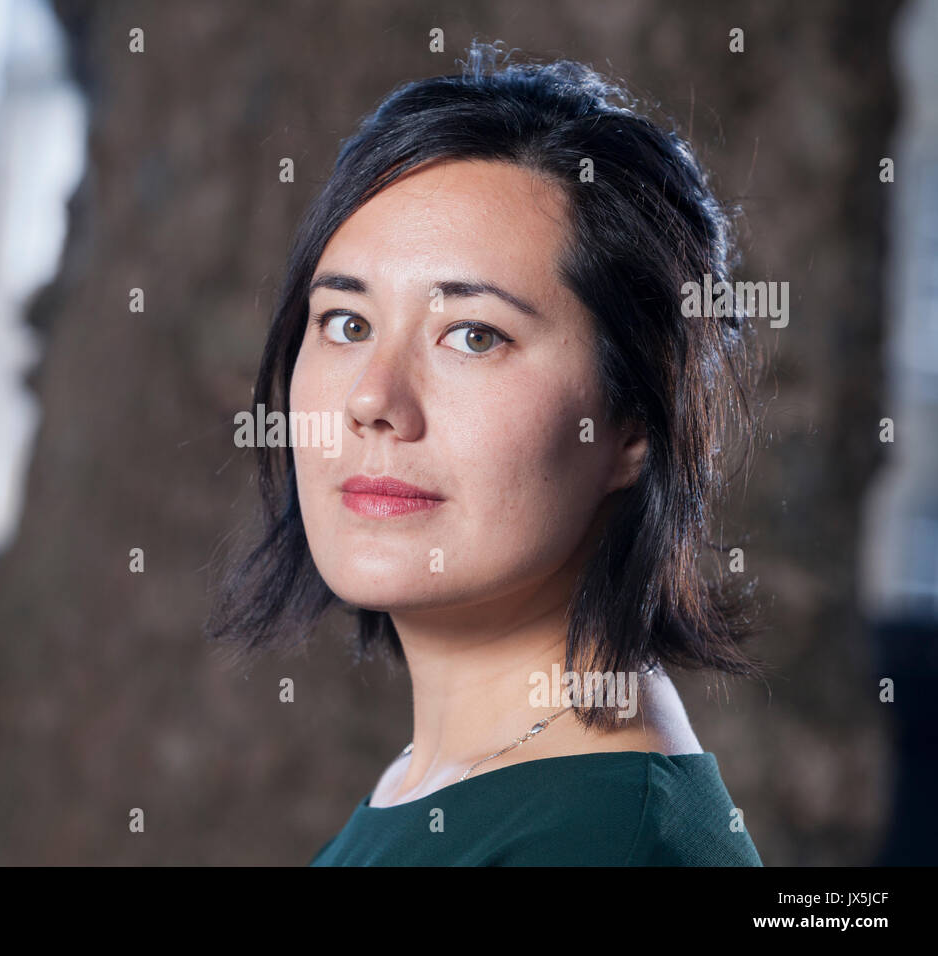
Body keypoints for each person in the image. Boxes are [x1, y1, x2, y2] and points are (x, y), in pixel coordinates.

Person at [206, 39, 767, 865]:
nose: (372, 400)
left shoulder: (592, 843)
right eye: (346, 324)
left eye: (473, 335)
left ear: (636, 426)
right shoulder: (442, 783)